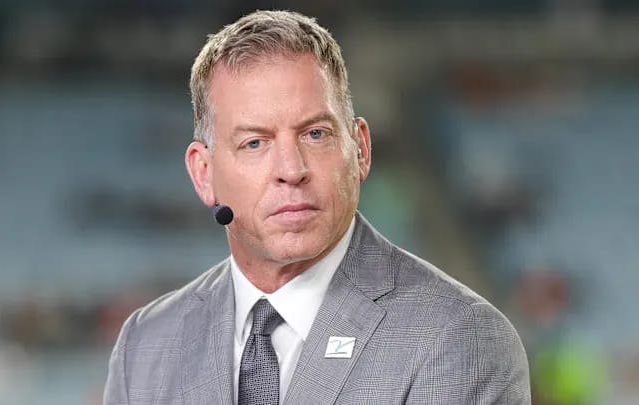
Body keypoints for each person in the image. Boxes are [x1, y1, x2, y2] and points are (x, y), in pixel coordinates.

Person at [104, 10, 530, 405]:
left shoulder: (458, 338)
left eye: (315, 134)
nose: (291, 170)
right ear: (204, 173)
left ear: (360, 149)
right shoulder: (145, 345)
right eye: (255, 143)